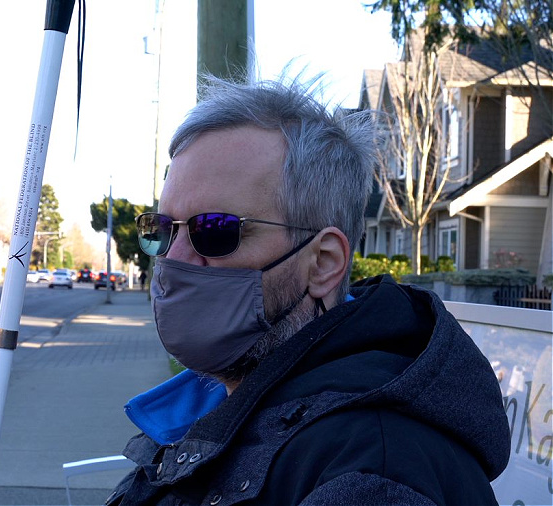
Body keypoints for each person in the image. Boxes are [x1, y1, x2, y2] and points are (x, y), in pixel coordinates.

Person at [109, 77, 510, 505]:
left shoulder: (374, 470)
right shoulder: (208, 408)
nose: (175, 260)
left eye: (215, 229)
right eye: (163, 230)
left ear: (323, 263)